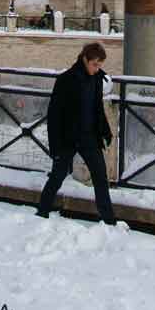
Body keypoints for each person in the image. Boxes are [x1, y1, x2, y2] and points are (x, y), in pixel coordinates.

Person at [36, 41, 116, 225]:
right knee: (57, 176)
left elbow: (97, 109)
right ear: (84, 59)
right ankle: (42, 212)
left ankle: (109, 221)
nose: (97, 69)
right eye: (94, 64)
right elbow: (54, 115)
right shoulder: (65, 80)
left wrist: (105, 131)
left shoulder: (96, 79)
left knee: (100, 178)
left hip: (89, 137)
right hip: (67, 139)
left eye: (100, 66)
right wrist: (55, 146)